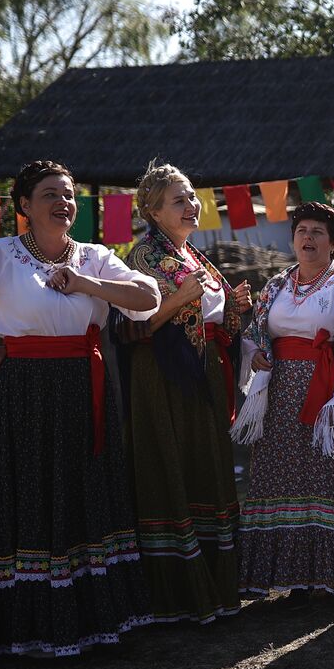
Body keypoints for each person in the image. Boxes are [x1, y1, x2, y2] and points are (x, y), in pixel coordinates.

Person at [0, 160, 160, 659]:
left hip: (84, 388)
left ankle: (94, 618)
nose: (63, 202)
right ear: (24, 205)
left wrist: (88, 285)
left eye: (68, 194)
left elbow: (148, 297)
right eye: (50, 194)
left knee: (86, 492)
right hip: (23, 391)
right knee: (30, 494)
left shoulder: (93, 256)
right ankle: (26, 627)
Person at [115, 162, 251, 624]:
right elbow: (131, 329)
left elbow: (214, 323)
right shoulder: (142, 258)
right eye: (179, 199)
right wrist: (176, 300)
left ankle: (219, 584)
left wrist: (233, 307)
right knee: (173, 464)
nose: (192, 204)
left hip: (204, 374)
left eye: (192, 196)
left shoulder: (195, 255)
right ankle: (180, 592)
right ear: (153, 211)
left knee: (208, 466)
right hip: (164, 377)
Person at [231, 201, 334, 602]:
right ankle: (290, 577)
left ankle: (331, 576)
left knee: (327, 477)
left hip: (328, 395)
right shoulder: (277, 284)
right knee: (283, 477)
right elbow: (257, 334)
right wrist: (257, 354)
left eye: (317, 232)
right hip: (279, 396)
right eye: (301, 231)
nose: (308, 238)